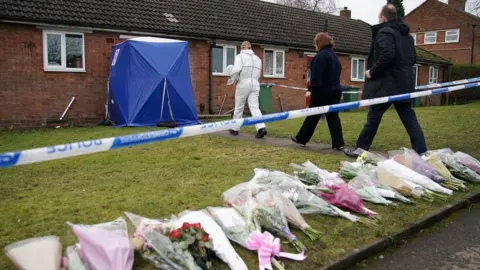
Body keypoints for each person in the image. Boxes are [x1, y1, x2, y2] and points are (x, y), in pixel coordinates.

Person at [345, 4, 427, 158]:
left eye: (378, 16)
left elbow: (387, 55)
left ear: (383, 17)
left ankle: (360, 149)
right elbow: (413, 59)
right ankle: (422, 151)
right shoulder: (407, 37)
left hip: (386, 85)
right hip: (404, 84)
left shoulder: (384, 32)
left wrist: (372, 71)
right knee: (410, 119)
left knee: (373, 118)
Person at [291, 33, 346, 152]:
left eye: (315, 43)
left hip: (322, 91)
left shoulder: (320, 56)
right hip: (335, 90)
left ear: (319, 43)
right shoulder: (335, 57)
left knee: (313, 115)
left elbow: (316, 77)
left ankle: (301, 139)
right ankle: (338, 143)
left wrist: (311, 90)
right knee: (333, 117)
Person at [228, 41, 267, 139]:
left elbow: (236, 69)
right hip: (255, 83)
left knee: (239, 106)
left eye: (241, 46)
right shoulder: (258, 59)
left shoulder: (240, 56)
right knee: (255, 107)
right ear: (250, 47)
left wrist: (232, 78)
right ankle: (261, 128)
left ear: (243, 47)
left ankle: (234, 129)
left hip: (244, 82)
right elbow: (259, 73)